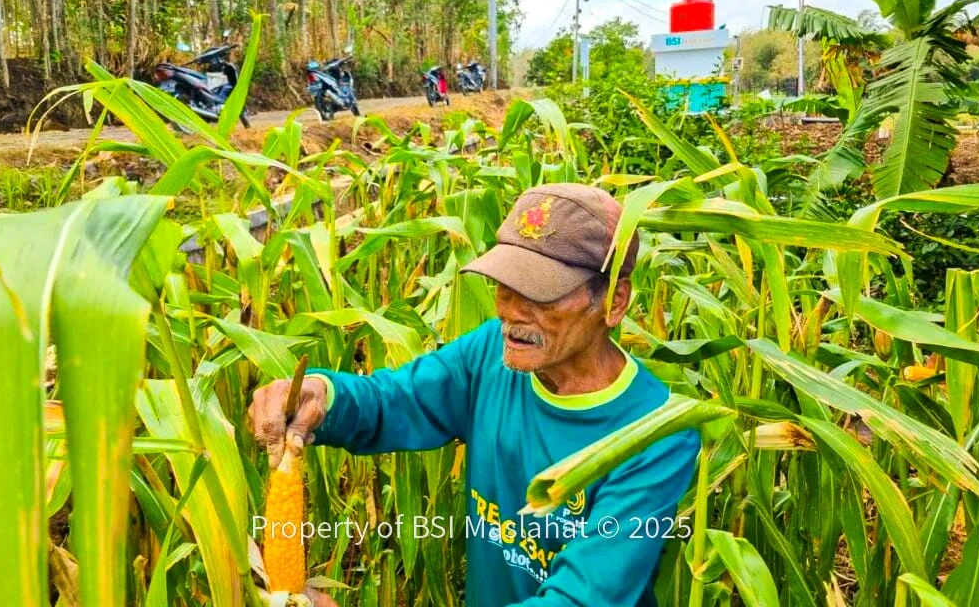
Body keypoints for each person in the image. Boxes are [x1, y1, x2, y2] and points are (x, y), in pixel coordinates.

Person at [250, 182, 702, 606]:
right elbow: (394, 400)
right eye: (506, 285)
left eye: (541, 293)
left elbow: (579, 598)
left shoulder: (657, 435)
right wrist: (323, 395)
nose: (511, 312)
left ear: (614, 301)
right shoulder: (490, 354)